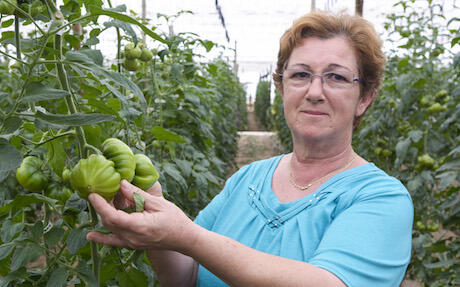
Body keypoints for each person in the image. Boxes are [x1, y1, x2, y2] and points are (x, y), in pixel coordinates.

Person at [87, 11, 413, 287]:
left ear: (365, 98)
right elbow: (188, 273)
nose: (315, 91)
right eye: (300, 74)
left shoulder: (380, 197)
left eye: (336, 78)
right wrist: (153, 211)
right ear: (282, 87)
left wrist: (188, 236)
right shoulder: (248, 179)